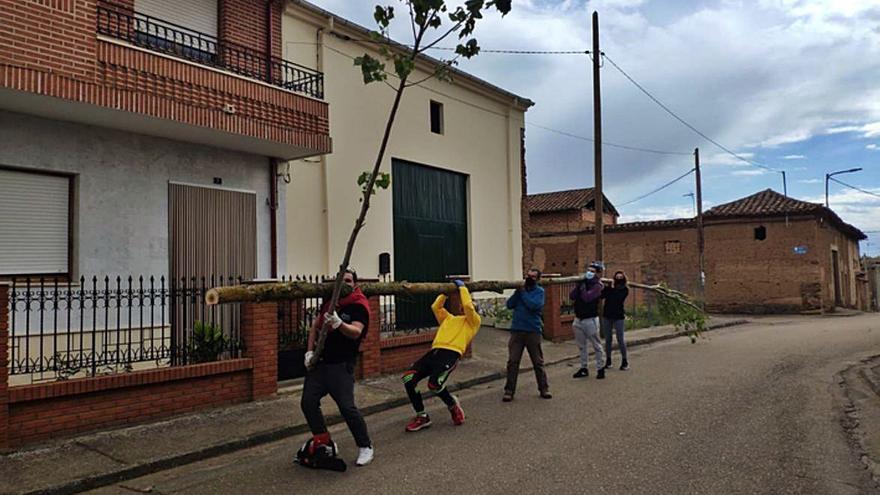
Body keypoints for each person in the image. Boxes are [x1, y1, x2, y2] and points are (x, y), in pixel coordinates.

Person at [297, 269, 374, 470]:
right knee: (308, 402)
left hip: (341, 365)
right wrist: (309, 352)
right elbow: (315, 327)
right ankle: (323, 440)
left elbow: (356, 332)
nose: (345, 284)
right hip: (320, 364)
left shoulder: (359, 306)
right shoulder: (330, 303)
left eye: (349, 280)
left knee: (347, 408)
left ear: (355, 284)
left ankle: (365, 446)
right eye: (342, 281)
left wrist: (340, 324)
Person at [402, 279, 481, 432]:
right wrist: (445, 293)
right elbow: (435, 307)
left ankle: (452, 405)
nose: (469, 307)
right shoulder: (449, 318)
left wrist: (463, 289)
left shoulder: (474, 322)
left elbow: (468, 307)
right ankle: (422, 416)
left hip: (450, 354)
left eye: (473, 306)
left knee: (434, 384)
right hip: (435, 352)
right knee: (408, 379)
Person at [502, 268, 551, 402]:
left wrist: (523, 293)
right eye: (528, 276)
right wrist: (517, 292)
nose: (529, 278)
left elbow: (534, 306)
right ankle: (509, 390)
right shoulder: (520, 291)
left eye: (533, 277)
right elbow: (509, 305)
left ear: (538, 279)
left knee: (537, 362)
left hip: (532, 331)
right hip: (517, 330)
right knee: (513, 361)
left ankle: (544, 388)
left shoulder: (539, 292)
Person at [570, 261, 606, 380]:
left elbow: (587, 298)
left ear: (597, 274)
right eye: (588, 270)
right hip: (578, 319)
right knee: (581, 346)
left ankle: (600, 368)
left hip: (590, 319)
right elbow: (572, 296)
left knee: (596, 345)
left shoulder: (598, 285)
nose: (589, 273)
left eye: (592, 271)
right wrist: (578, 286)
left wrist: (583, 287)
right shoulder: (582, 283)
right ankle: (584, 367)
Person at [602, 270, 630, 371]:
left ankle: (624, 361)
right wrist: (605, 287)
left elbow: (618, 298)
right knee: (608, 339)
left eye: (620, 278)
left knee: (620, 339)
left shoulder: (625, 289)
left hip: (618, 316)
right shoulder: (609, 288)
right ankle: (608, 360)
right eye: (616, 277)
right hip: (607, 316)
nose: (618, 279)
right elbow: (602, 296)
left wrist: (612, 288)